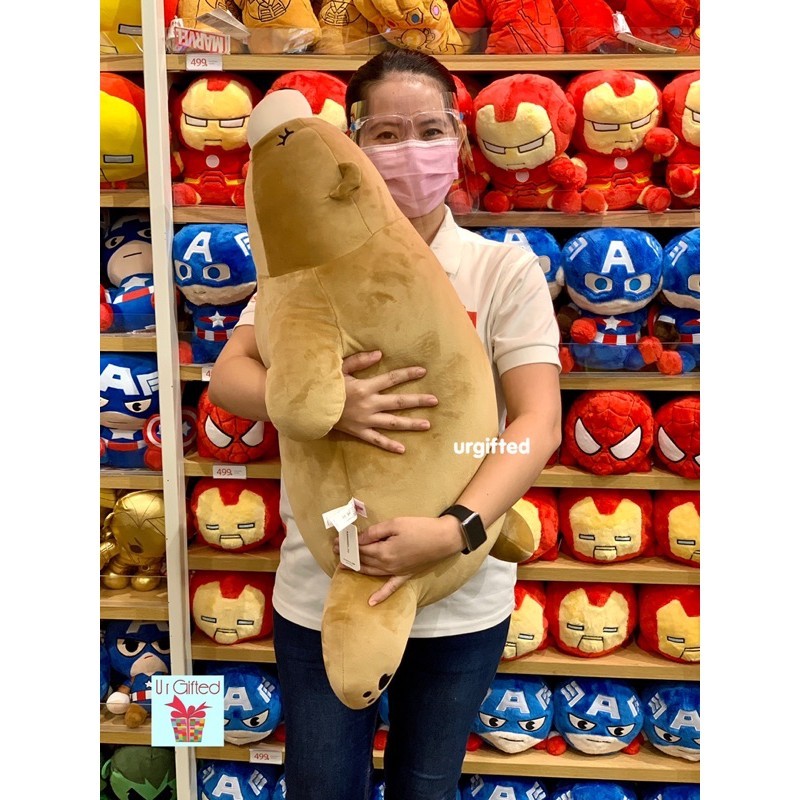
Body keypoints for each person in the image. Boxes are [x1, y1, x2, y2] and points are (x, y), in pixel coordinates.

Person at [208, 49, 562, 800]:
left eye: (430, 129)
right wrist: (326, 404)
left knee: (426, 785)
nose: (411, 151)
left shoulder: (500, 269)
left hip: (459, 594)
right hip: (323, 584)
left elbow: (536, 421)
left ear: (459, 140)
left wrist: (458, 529)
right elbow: (229, 376)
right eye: (387, 134)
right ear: (354, 147)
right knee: (321, 784)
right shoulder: (307, 264)